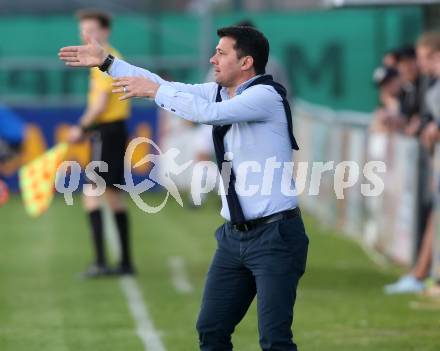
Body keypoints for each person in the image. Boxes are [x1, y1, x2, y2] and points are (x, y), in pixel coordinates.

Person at [59, 25, 309, 350]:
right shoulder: (222, 90)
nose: (212, 58)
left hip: (275, 237)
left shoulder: (265, 95)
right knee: (211, 329)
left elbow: (208, 114)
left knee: (274, 340)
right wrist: (108, 63)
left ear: (246, 62)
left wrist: (154, 93)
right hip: (234, 237)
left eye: (221, 52)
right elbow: (164, 85)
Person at [67, 10, 135, 278]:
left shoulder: (107, 60)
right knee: (111, 196)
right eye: (84, 31)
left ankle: (101, 262)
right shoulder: (104, 59)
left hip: (108, 132)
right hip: (109, 131)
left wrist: (81, 127)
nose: (88, 37)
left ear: (105, 32)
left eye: (93, 31)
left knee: (92, 194)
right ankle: (124, 262)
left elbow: (100, 104)